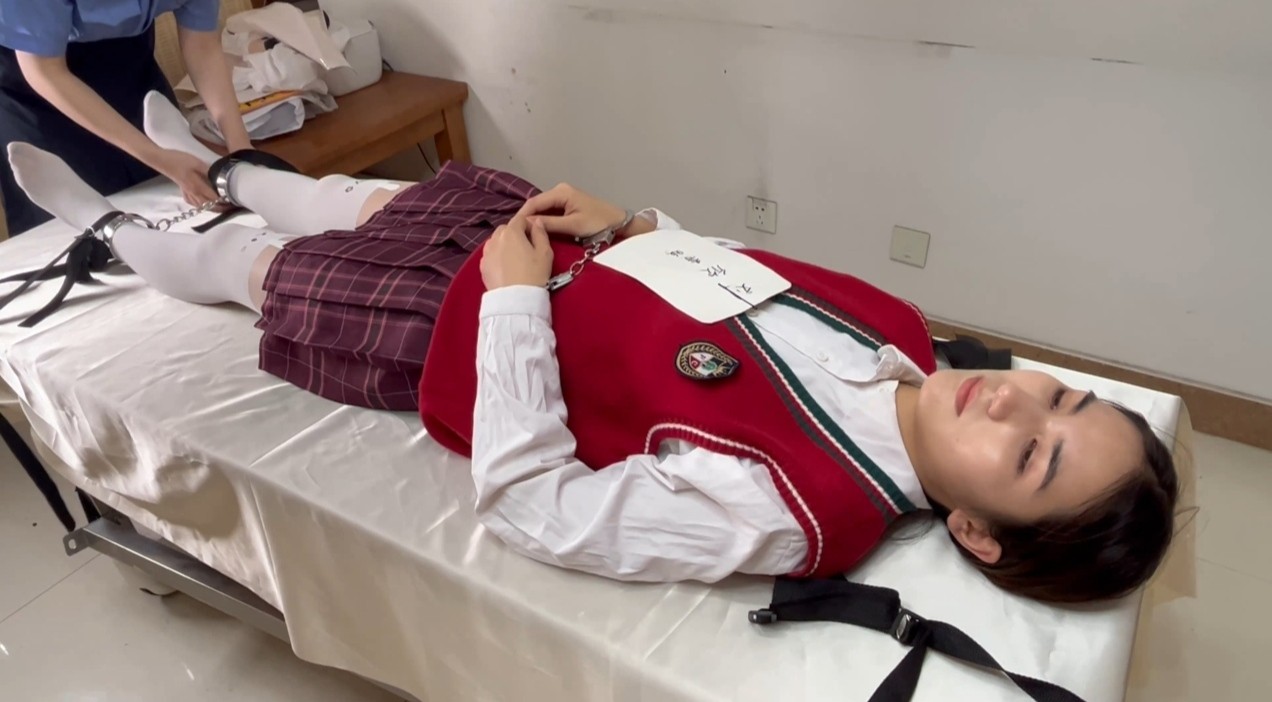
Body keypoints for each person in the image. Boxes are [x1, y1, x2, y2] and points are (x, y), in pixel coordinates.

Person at [3, 93, 1179, 605]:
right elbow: (744, 283)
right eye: (1060, 401)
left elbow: (538, 507)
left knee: (272, 271)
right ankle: (215, 165)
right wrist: (637, 228)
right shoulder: (905, 335)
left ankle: (115, 233)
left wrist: (515, 306)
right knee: (368, 199)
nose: (1016, 408)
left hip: (470, 330)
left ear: (975, 531)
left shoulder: (801, 507)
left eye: (1034, 459)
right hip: (570, 255)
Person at [0, 1, 252, 236]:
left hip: (131, 69)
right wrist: (161, 158)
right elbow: (44, 71)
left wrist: (241, 148)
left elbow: (203, 45)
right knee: (76, 232)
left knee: (179, 212)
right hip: (37, 95)